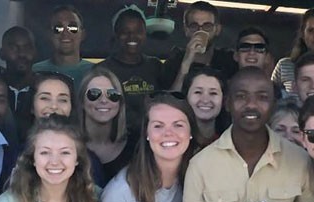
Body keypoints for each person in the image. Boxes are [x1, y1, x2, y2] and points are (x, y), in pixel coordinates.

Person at [179, 67, 314, 202]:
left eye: (262, 97)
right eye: (241, 96)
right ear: (227, 104)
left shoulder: (299, 159)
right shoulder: (200, 165)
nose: (251, 105)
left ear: (273, 104)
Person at [100, 94, 197, 202]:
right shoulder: (121, 194)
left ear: (191, 132)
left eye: (178, 125)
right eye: (158, 126)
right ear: (146, 133)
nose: (168, 133)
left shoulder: (200, 176)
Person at [100, 4, 164, 132]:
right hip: (116, 140)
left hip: (152, 137)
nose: (131, 36)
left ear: (145, 34)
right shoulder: (102, 70)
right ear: (116, 34)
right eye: (125, 32)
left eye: (138, 31)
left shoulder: (155, 66)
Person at [77, 67, 139, 188]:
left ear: (120, 103)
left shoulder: (136, 145)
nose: (104, 100)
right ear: (82, 102)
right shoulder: (68, 145)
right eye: (94, 93)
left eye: (112, 94)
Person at [161, 1, 238, 92]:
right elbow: (169, 101)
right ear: (186, 30)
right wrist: (186, 63)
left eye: (207, 26)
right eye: (194, 26)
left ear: (217, 30)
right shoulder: (174, 61)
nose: (200, 30)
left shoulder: (227, 60)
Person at [32, 5, 93, 87]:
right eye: (58, 28)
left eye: (73, 28)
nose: (65, 33)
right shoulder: (35, 72)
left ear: (83, 34)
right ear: (49, 34)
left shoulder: (95, 72)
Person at [0, 26, 37, 142]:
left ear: (35, 52)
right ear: (2, 53)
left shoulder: (43, 92)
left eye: (27, 48)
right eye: (13, 47)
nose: (21, 54)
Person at [183, 68, 228, 149]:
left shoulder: (231, 140)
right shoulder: (176, 140)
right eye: (198, 92)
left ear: (223, 100)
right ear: (186, 97)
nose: (205, 100)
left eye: (213, 93)